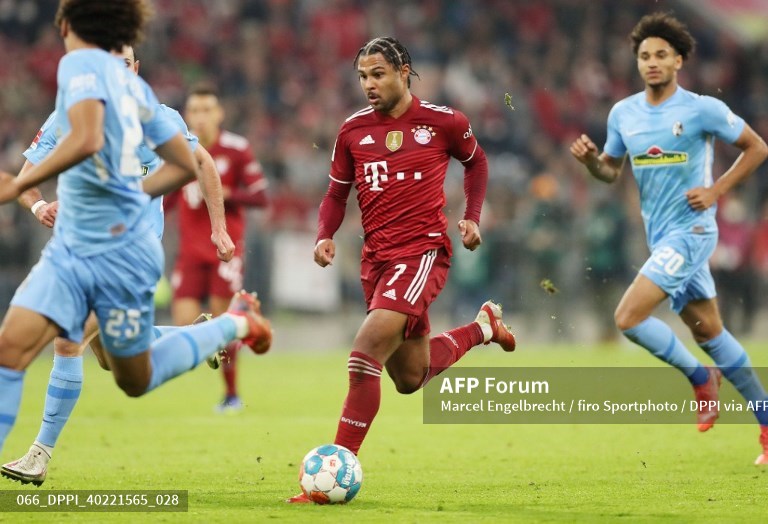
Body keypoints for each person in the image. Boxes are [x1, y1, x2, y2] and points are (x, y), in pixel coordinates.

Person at [0, 0, 271, 479]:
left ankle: (39, 454)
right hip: (70, 249)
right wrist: (36, 200)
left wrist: (211, 226)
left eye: (126, 61)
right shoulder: (77, 98)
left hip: (122, 255)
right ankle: (221, 330)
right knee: (94, 360)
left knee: (80, 347)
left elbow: (194, 162)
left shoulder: (131, 96)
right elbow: (40, 169)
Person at [287, 36, 516, 503]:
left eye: (378, 74)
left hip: (423, 253)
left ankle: (335, 467)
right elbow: (335, 194)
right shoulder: (352, 130)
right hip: (376, 261)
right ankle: (482, 329)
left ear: (403, 71)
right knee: (410, 378)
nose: (369, 85)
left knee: (365, 349)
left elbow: (477, 164)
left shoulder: (444, 122)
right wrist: (324, 234)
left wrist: (472, 215)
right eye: (363, 77)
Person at [570, 12, 768, 464]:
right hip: (662, 238)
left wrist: (716, 190)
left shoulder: (701, 109)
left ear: (678, 60)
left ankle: (701, 378)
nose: (652, 62)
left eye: (661, 55)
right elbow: (609, 171)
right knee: (710, 331)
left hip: (693, 232)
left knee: (628, 317)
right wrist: (589, 163)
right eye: (644, 56)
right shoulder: (623, 113)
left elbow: (758, 147)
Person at [166, 84, 269, 413]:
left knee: (225, 320)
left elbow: (261, 197)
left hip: (225, 248)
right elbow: (165, 196)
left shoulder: (236, 149)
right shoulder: (176, 149)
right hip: (190, 252)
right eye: (194, 110)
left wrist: (225, 194)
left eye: (206, 109)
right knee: (183, 322)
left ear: (219, 114)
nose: (200, 117)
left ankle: (231, 393)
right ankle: (210, 341)